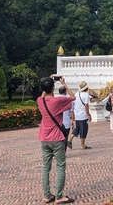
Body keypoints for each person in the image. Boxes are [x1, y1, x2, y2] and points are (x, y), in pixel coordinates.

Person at [38, 75, 75, 204]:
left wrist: (48, 82)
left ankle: (47, 195)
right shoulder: (58, 101)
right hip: (57, 138)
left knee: (45, 167)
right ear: (53, 88)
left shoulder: (40, 100)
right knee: (60, 166)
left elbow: (44, 94)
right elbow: (73, 97)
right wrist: (64, 84)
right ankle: (59, 196)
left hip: (44, 138)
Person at [68, 81, 92, 150]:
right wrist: (88, 114)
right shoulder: (86, 95)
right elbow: (86, 105)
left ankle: (70, 139)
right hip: (83, 115)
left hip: (77, 114)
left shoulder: (76, 94)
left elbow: (74, 103)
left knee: (77, 128)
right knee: (83, 129)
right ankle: (82, 145)